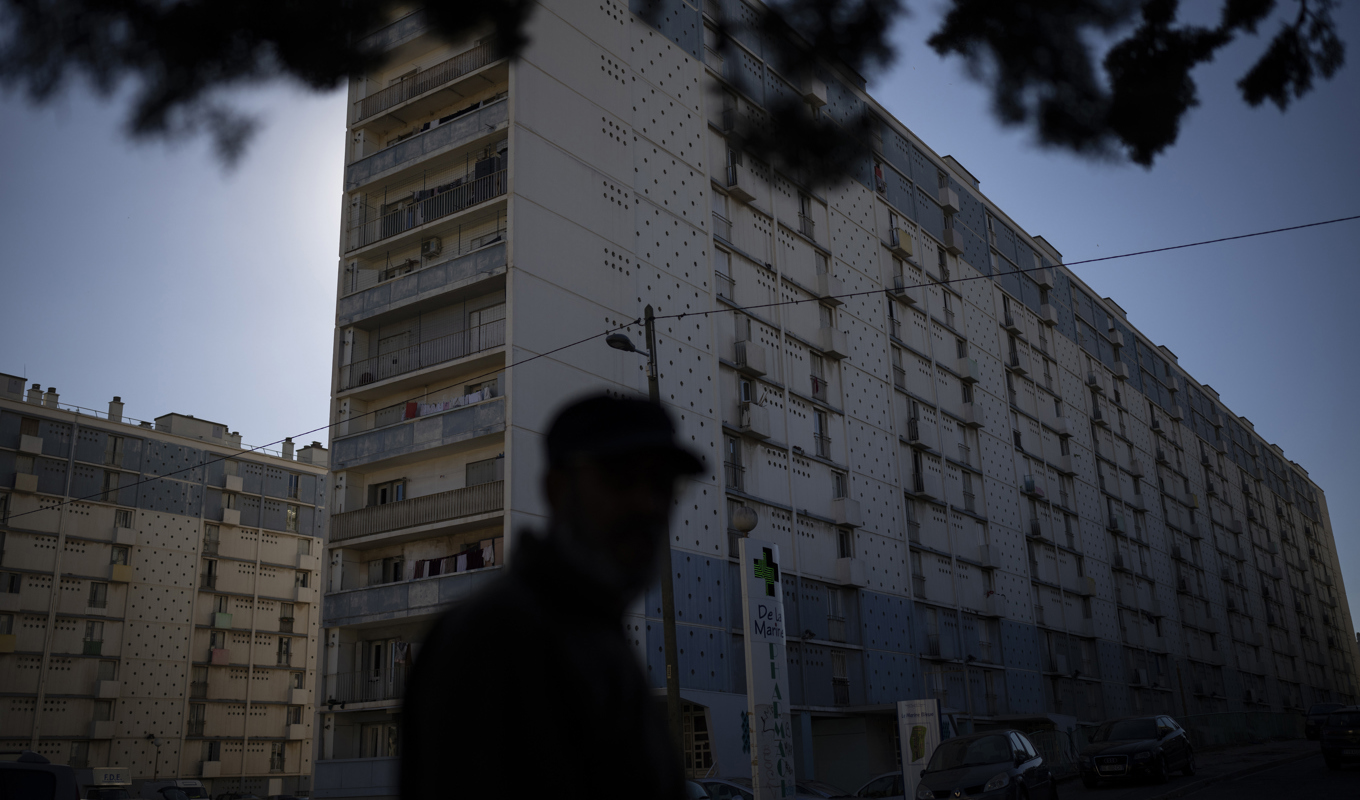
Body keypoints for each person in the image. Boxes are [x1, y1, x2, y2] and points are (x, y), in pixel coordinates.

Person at [400, 394, 702, 799]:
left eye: (663, 485)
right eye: (621, 478)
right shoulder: (499, 639)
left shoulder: (593, 633)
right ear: (558, 489)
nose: (647, 504)